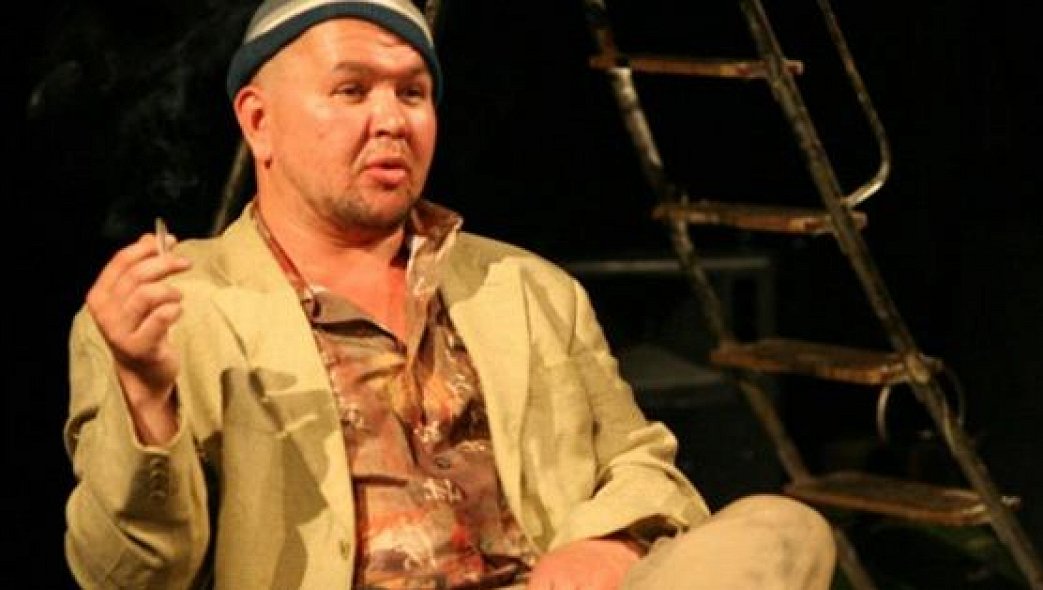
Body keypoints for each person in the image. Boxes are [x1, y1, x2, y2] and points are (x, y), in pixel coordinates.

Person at [63, 0, 837, 588]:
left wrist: (609, 544)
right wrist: (146, 397)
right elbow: (125, 575)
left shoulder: (526, 287)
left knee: (781, 527)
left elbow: (641, 463)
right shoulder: (177, 310)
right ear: (259, 122)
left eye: (412, 93)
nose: (390, 120)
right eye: (351, 90)